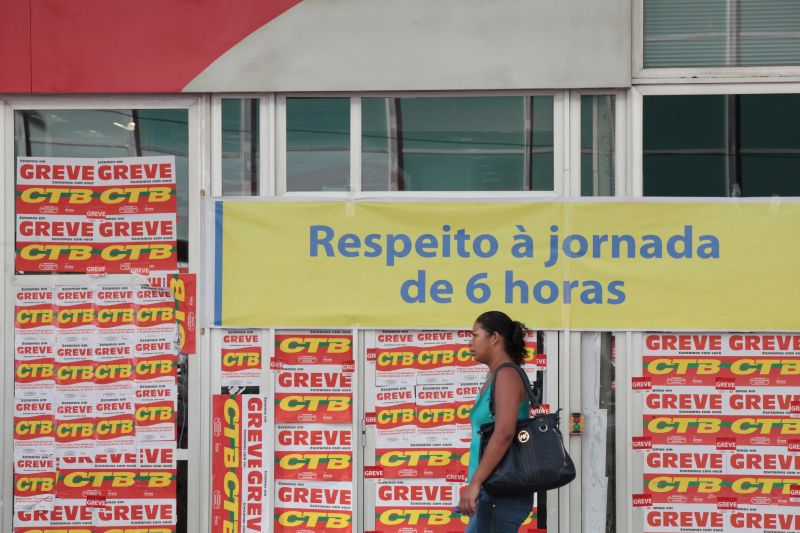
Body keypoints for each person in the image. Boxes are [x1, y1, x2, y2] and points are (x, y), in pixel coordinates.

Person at [460, 310, 533, 532]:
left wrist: (476, 483)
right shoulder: (495, 376)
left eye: (475, 335)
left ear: (494, 337)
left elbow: (504, 432)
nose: (469, 343)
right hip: (492, 488)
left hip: (501, 489)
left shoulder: (507, 375)